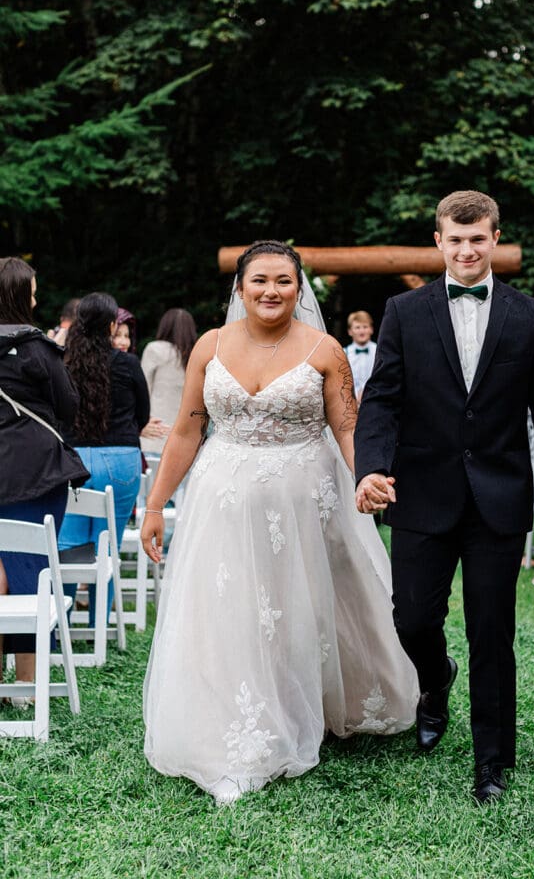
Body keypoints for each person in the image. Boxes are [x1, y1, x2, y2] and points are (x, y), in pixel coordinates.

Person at [141, 240, 418, 805]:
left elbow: (347, 428)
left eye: (284, 282)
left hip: (305, 500)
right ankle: (238, 731)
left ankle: (319, 702)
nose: (271, 291)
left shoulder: (326, 350)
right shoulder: (210, 347)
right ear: (239, 288)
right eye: (259, 281)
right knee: (234, 609)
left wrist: (366, 475)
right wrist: (154, 505)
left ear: (299, 289)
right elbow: (188, 429)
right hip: (222, 499)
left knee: (305, 605)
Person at [353, 191, 534, 804]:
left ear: (495, 239)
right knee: (413, 618)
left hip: (499, 497)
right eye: (456, 239)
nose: (467, 250)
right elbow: (383, 401)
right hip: (421, 492)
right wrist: (370, 467)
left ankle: (491, 762)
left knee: (492, 631)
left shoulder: (530, 316)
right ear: (439, 242)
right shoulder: (404, 310)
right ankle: (435, 679)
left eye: (478, 239)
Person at [0, 258, 87, 700]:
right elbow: (68, 406)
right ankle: (26, 683)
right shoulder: (37, 349)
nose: (37, 298)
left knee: (1, 567)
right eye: (32, 291)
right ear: (19, 295)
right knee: (31, 568)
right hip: (35, 472)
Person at [59, 293, 149, 620]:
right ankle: (99, 624)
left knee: (67, 544)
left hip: (73, 461)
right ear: (112, 325)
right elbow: (143, 415)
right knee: (106, 544)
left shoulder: (64, 363)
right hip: (121, 459)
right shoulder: (128, 364)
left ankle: (62, 624)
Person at [140, 308, 197, 455]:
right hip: (186, 442)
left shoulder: (155, 350)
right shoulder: (196, 356)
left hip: (154, 437)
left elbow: (142, 390)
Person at [344, 310, 377, 400]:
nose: (361, 331)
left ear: (371, 329)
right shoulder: (344, 353)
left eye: (365, 327)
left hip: (374, 399)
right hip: (351, 400)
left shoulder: (378, 351)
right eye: (357, 327)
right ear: (350, 331)